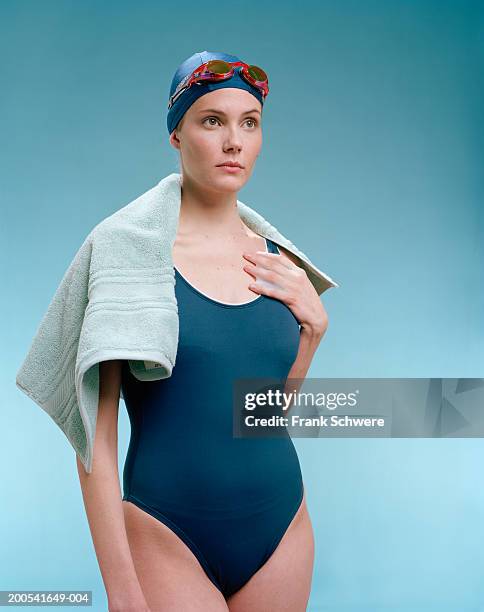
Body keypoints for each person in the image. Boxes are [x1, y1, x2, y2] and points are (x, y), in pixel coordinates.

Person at [77, 50, 330, 612]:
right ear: (177, 134)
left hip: (282, 526)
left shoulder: (279, 263)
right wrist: (122, 590)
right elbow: (95, 433)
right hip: (167, 534)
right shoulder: (128, 254)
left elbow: (263, 419)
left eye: (249, 123)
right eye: (211, 120)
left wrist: (312, 334)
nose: (233, 141)